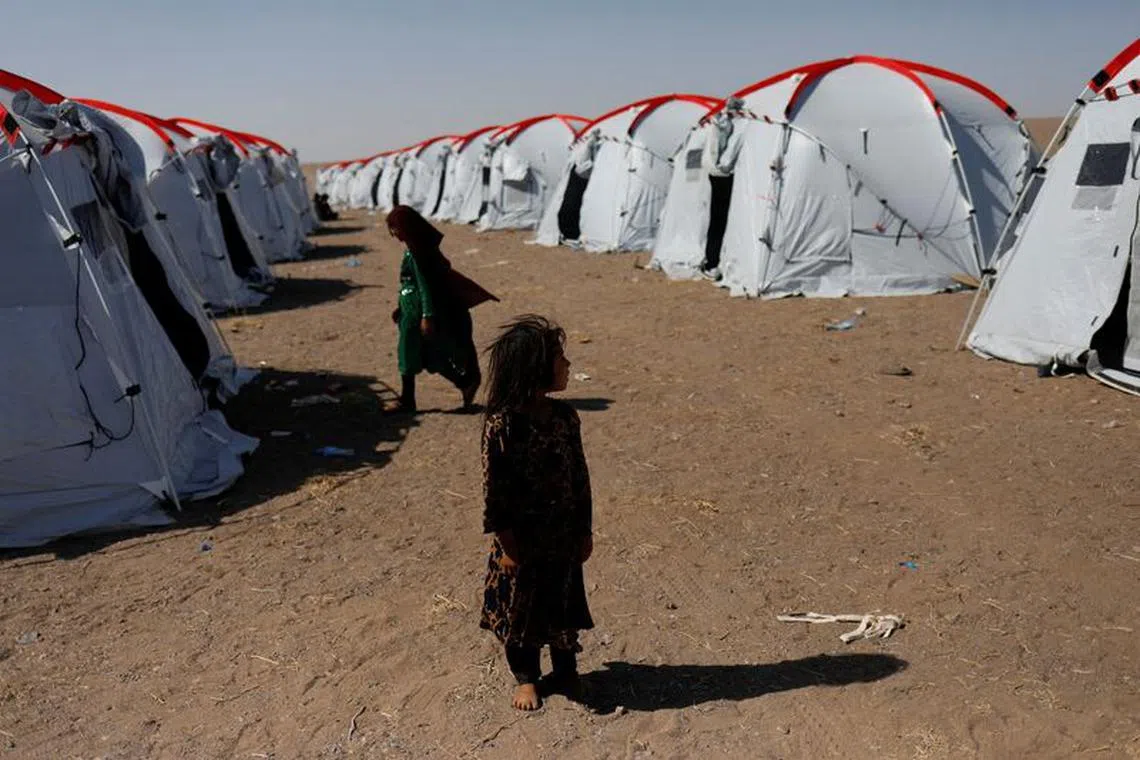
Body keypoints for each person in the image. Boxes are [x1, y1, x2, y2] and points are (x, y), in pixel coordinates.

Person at [479, 315, 595, 711]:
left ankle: (566, 671)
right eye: (560, 359)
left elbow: (580, 476)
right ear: (535, 369)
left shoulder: (565, 418)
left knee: (563, 606)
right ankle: (526, 677)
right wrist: (507, 543)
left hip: (562, 535)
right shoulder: (503, 425)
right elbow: (495, 491)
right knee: (521, 612)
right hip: (522, 541)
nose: (567, 366)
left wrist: (584, 530)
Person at [387, 205, 498, 413]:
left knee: (414, 355)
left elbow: (425, 287)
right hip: (410, 312)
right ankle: (464, 382)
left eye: (395, 228)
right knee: (422, 356)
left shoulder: (419, 253)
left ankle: (409, 400)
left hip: (417, 314)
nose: (394, 234)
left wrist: (427, 316)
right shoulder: (415, 249)